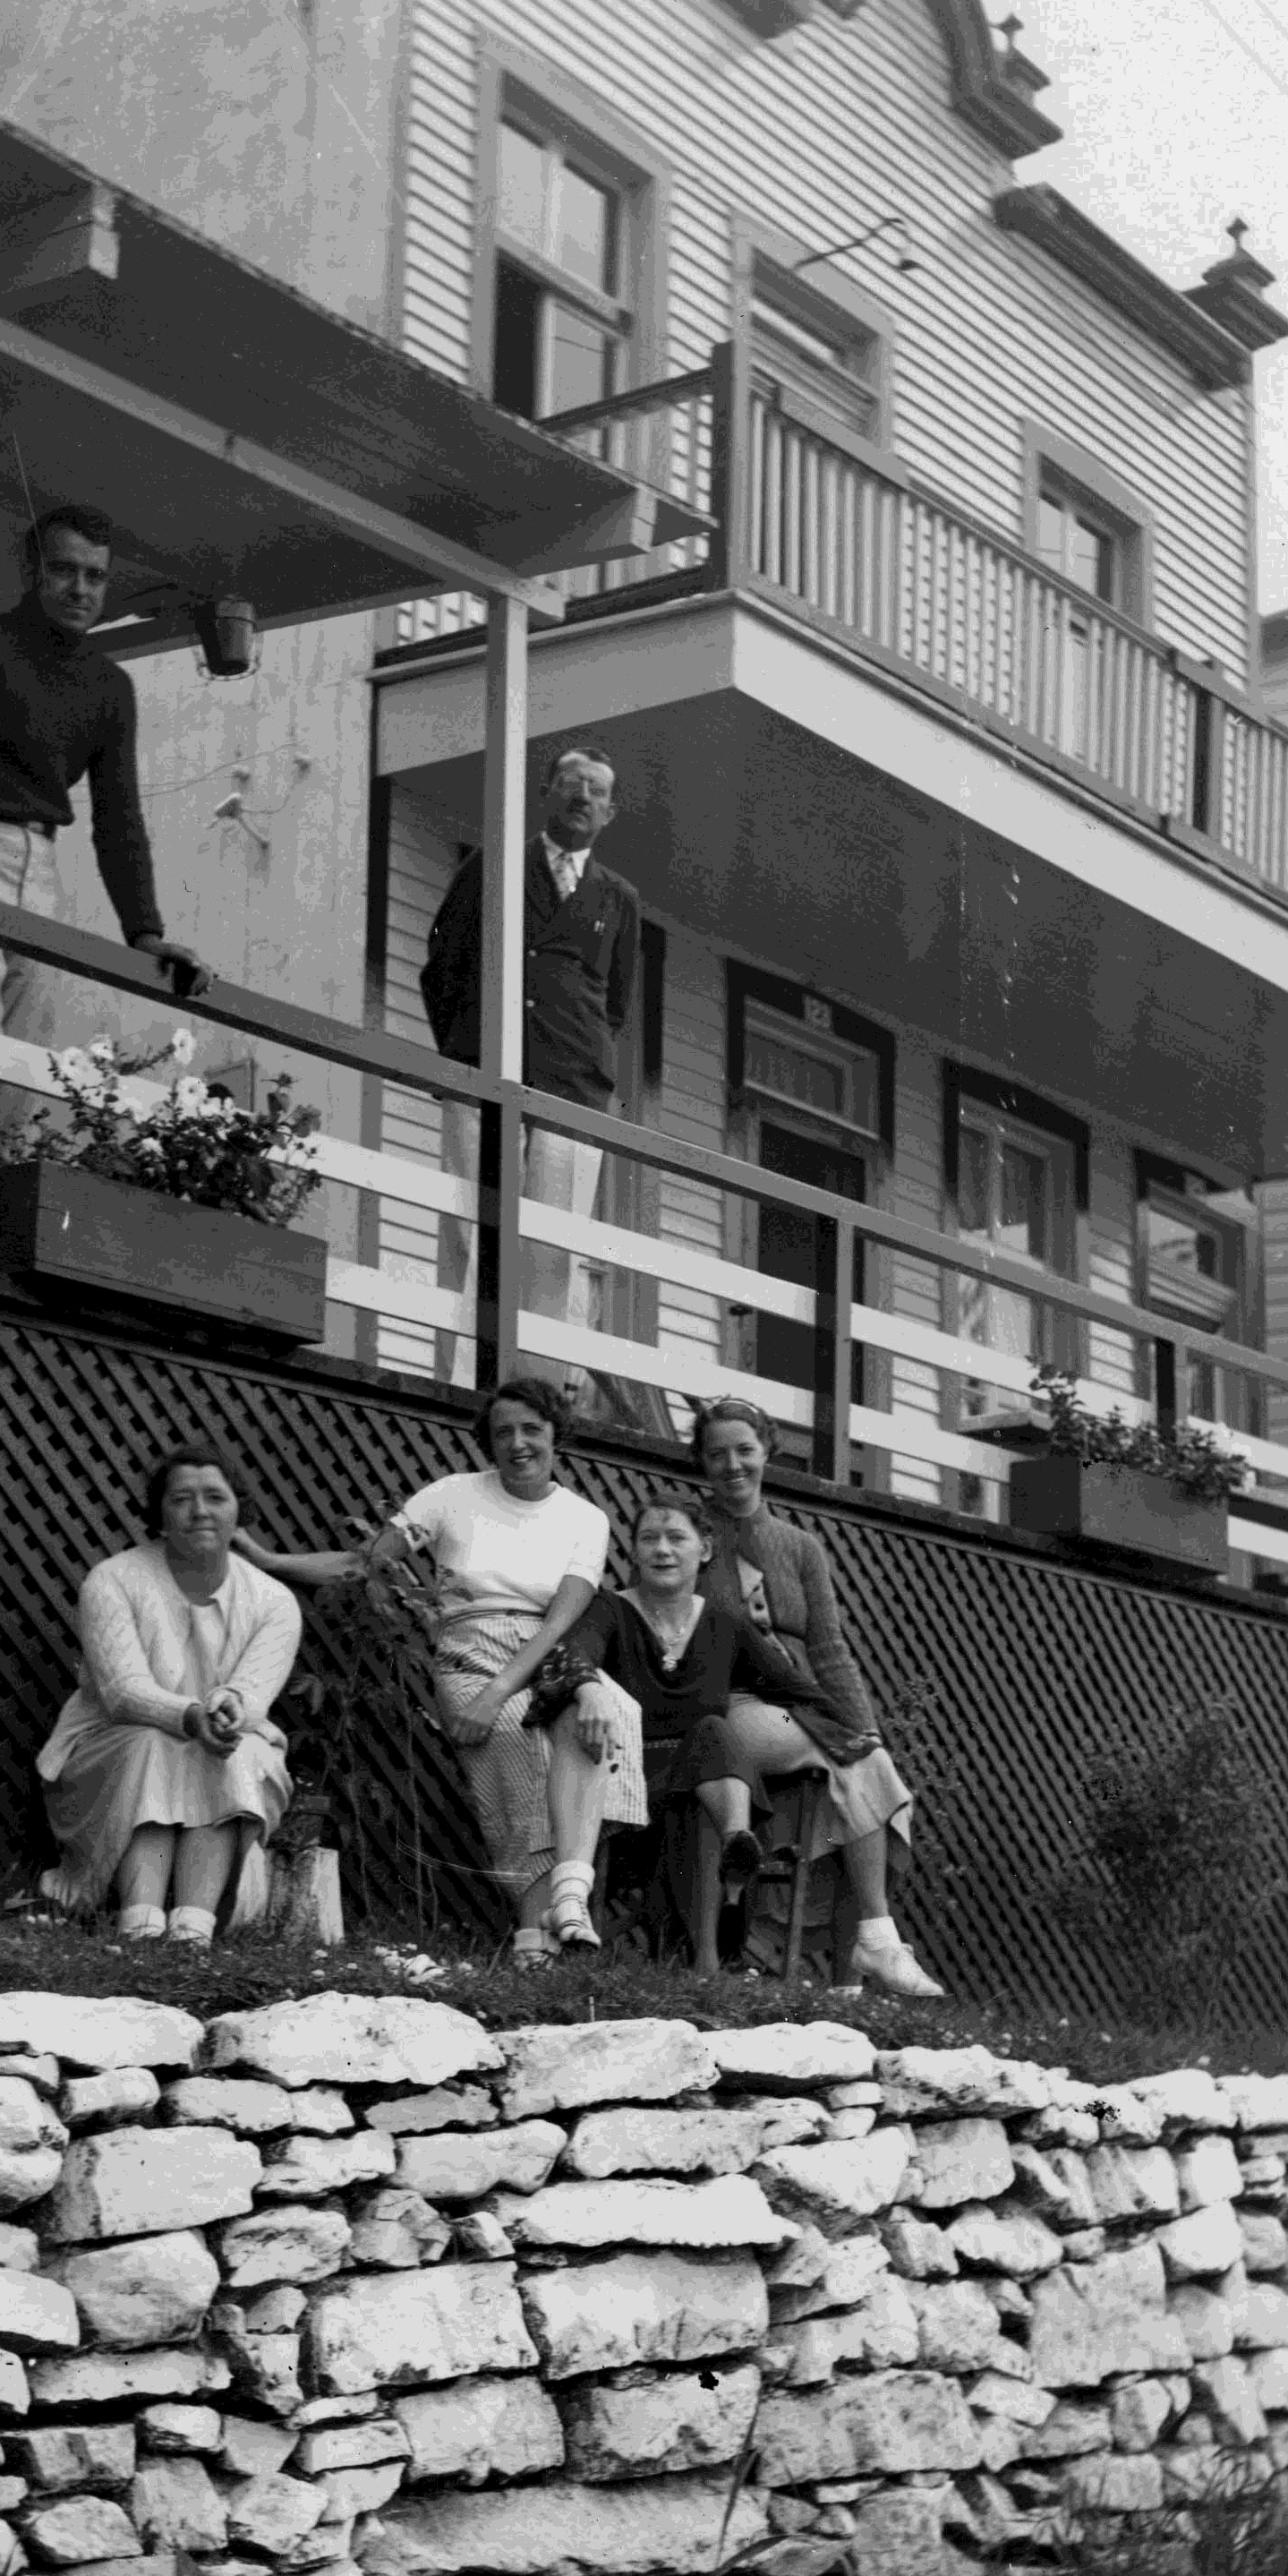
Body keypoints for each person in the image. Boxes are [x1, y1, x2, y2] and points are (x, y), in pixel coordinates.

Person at [244, 1375, 646, 1955]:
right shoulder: (453, 1494)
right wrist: (267, 1558)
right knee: (515, 1743)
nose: (517, 1443)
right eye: (503, 1431)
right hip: (466, 1647)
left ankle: (566, 1899)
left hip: (545, 1649)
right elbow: (366, 1564)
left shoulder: (584, 1518)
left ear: (557, 1434)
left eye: (532, 1429)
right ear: (486, 1440)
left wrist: (502, 1689)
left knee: (607, 1714)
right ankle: (538, 1937)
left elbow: (561, 1621)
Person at [0, 503, 202, 1189]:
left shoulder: (108, 688)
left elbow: (119, 817)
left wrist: (145, 932)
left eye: (95, 575)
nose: (80, 589)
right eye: (63, 570)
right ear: (32, 571)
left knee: (22, 1065)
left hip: (41, 869)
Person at [688, 1393, 944, 1998]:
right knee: (861, 1767)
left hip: (804, 1709)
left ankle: (859, 1964)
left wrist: (864, 1726)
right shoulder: (690, 1536)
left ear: (766, 1453)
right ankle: (873, 1949)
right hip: (735, 1708)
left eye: (744, 1450)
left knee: (870, 1763)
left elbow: (828, 1650)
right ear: (700, 1461)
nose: (732, 1465)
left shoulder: (801, 1547)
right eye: (716, 1453)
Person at [420, 749, 641, 1401]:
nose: (582, 794)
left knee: (555, 1238)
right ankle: (469, 1385)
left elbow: (615, 1003)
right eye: (570, 781)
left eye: (596, 788)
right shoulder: (491, 867)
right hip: (483, 1069)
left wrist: (578, 1053)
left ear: (610, 810)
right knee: (479, 1225)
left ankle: (540, 1394)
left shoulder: (618, 898)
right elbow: (443, 965)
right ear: (546, 791)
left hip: (572, 1083)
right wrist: (467, 1047)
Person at [37, 1439, 302, 1943]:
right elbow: (122, 1692)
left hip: (223, 1739)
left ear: (238, 1511)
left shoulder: (275, 1602)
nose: (199, 1511)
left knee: (237, 1751)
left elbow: (252, 1693)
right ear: (158, 1513)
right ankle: (139, 1922)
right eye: (181, 1499)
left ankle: (191, 1930)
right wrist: (191, 1715)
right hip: (112, 1740)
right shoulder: (113, 1580)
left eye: (215, 1498)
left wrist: (227, 1710)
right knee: (153, 1743)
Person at [552, 1490, 810, 1970]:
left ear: (705, 1549)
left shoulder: (725, 1624)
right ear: (635, 1551)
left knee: (710, 1748)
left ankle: (734, 1853)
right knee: (709, 1753)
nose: (662, 1550)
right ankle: (717, 1931)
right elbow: (575, 1654)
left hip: (699, 1787)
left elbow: (794, 1686)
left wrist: (852, 1734)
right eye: (649, 1538)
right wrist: (588, 1688)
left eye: (676, 1538)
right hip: (627, 1787)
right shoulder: (609, 1610)